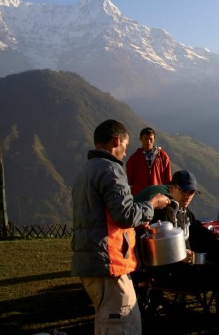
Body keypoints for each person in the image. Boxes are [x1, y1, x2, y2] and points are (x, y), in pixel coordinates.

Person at [71, 119, 171, 335]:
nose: (125, 153)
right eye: (125, 145)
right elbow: (125, 215)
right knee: (123, 324)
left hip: (90, 260)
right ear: (116, 140)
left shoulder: (86, 170)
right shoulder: (110, 169)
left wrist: (136, 221)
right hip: (109, 264)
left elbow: (104, 215)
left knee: (107, 322)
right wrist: (152, 204)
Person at [133, 170, 219, 309]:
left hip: (185, 266)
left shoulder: (185, 212)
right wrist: (181, 254)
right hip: (170, 273)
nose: (187, 196)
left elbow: (201, 234)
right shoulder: (164, 211)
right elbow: (158, 249)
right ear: (172, 188)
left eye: (191, 192)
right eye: (183, 191)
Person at [126, 127, 172, 196]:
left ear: (154, 139)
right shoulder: (134, 159)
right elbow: (129, 180)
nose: (148, 142)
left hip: (158, 195)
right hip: (140, 196)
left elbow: (168, 178)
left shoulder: (163, 157)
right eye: (146, 138)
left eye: (151, 139)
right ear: (140, 139)